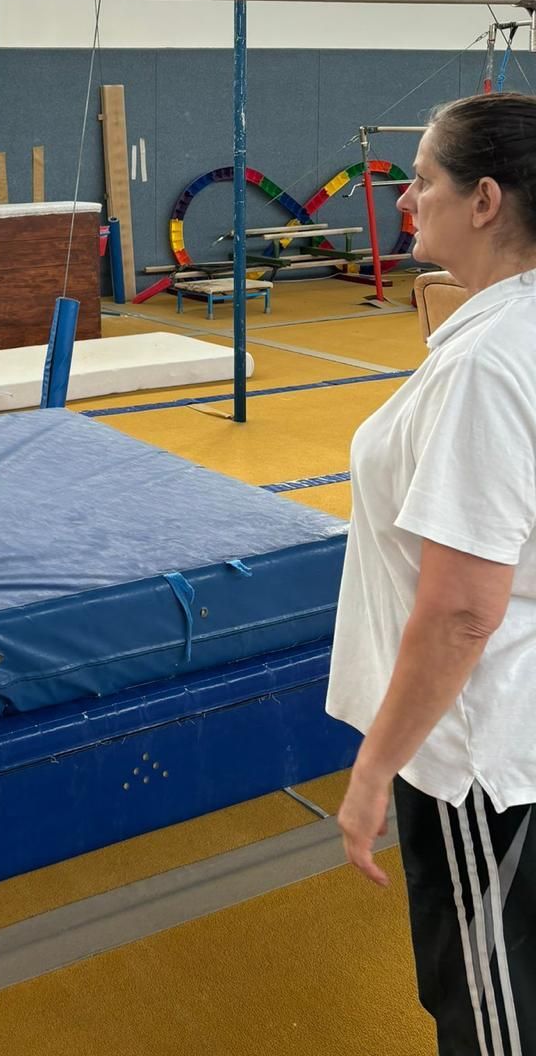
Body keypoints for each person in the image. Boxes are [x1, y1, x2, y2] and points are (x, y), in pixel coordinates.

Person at [328, 91, 536, 1054]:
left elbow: (461, 612)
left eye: (422, 181)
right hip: (510, 732)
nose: (406, 201)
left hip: (475, 756)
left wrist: (376, 766)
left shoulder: (487, 365)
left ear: (485, 200)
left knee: (491, 1018)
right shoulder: (500, 336)